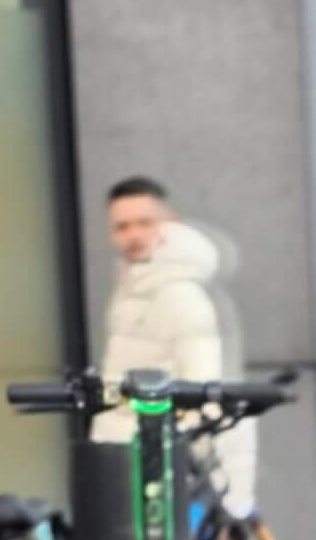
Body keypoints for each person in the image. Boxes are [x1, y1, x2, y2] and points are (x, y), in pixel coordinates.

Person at [95, 175, 254, 514]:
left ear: (171, 224)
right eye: (121, 226)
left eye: (144, 223)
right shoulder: (132, 286)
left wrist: (197, 455)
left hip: (165, 460)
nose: (133, 235)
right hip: (128, 453)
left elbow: (201, 386)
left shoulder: (180, 294)